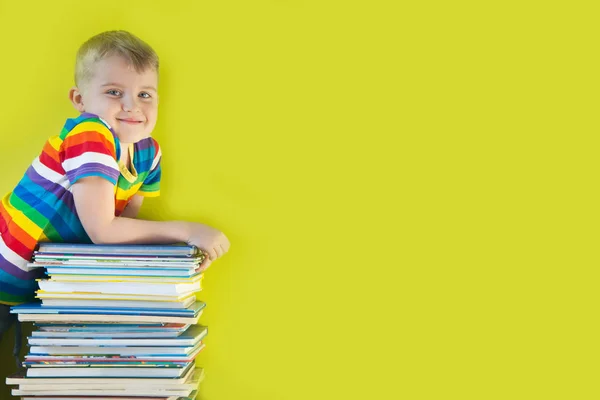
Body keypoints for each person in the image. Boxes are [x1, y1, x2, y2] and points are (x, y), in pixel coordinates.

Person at [0, 30, 230, 367]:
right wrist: (189, 231)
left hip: (27, 290)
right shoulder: (89, 134)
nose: (131, 106)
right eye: (113, 92)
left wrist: (182, 259)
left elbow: (125, 236)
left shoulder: (148, 155)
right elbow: (103, 231)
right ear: (79, 100)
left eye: (145, 94)